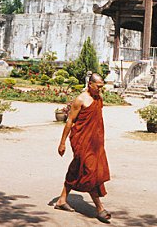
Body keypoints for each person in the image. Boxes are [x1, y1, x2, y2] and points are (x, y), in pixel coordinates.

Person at [56, 73, 111, 223]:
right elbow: (70, 121)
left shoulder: (99, 98)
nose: (100, 90)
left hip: (95, 142)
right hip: (81, 140)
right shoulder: (80, 100)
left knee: (77, 168)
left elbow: (97, 119)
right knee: (90, 171)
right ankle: (99, 208)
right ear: (90, 84)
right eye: (98, 87)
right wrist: (62, 143)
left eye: (101, 87)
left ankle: (61, 200)